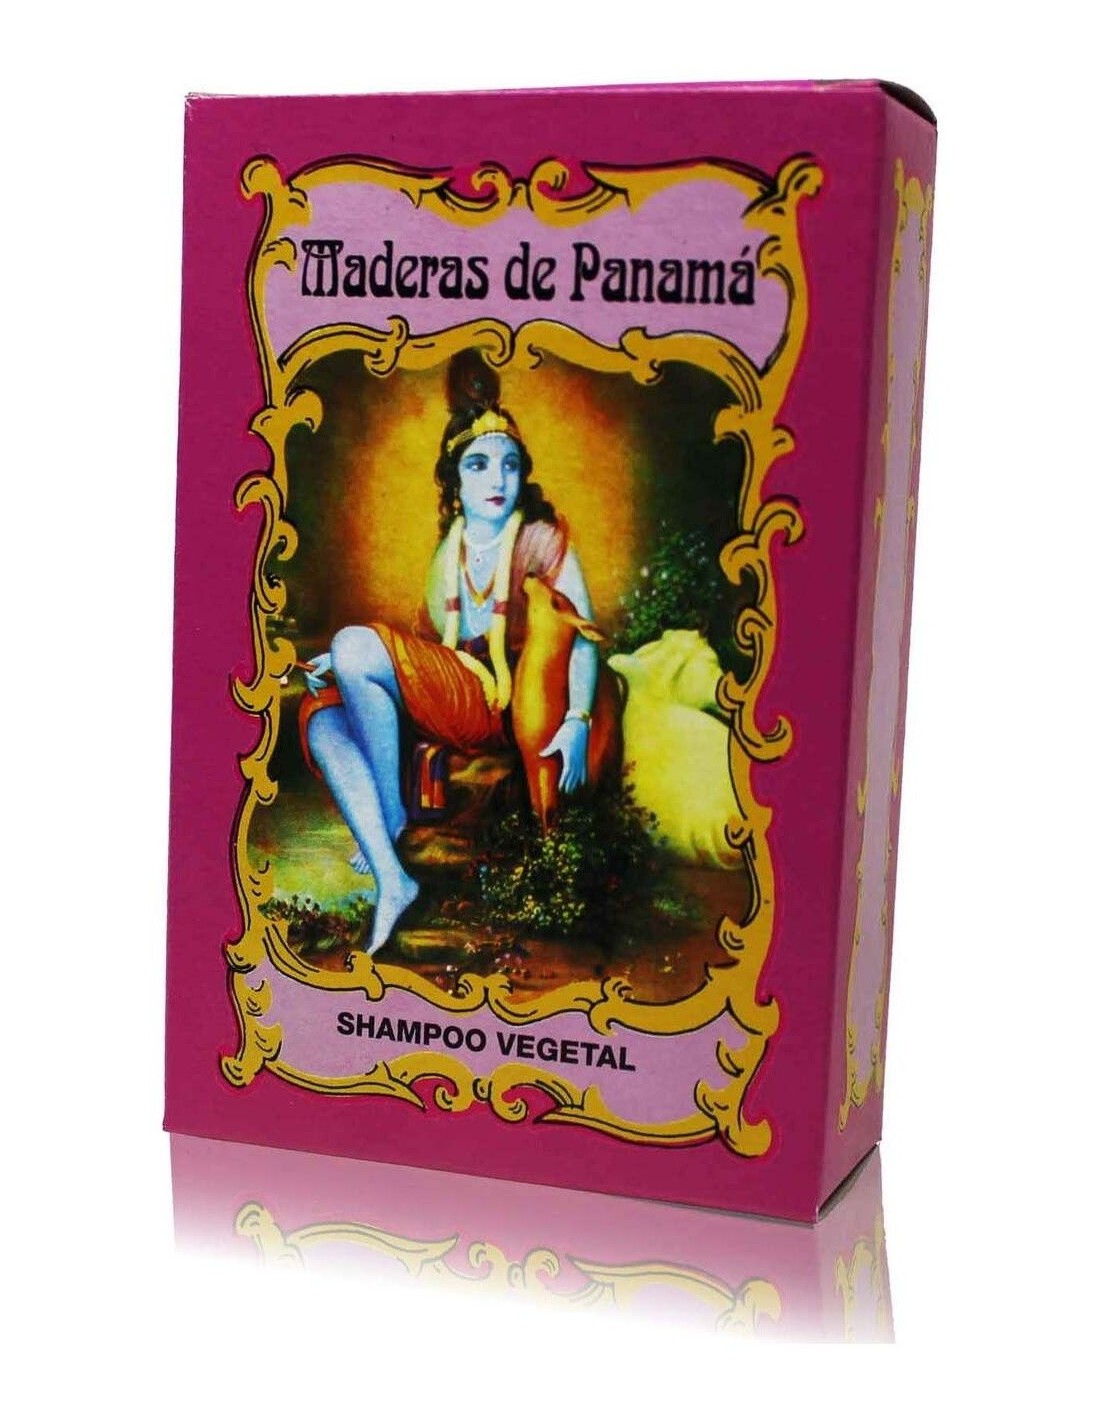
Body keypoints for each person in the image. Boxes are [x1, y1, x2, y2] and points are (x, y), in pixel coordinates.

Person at [299, 350, 598, 954]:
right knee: (322, 720)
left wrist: (577, 719)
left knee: (353, 644)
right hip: (447, 693)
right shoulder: (450, 549)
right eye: (479, 465)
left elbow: (583, 638)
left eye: (509, 465)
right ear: (455, 482)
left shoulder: (541, 540)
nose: (497, 480)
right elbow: (425, 648)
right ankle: (394, 878)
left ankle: (391, 816)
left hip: (500, 704)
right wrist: (350, 668)